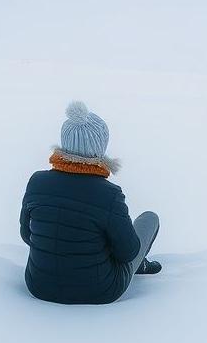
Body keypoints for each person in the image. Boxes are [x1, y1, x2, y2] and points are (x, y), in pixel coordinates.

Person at [20, 100, 161, 305]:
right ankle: (141, 266)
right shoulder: (109, 194)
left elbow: (27, 235)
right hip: (99, 291)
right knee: (150, 219)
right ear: (100, 147)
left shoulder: (37, 182)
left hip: (38, 284)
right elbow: (128, 252)